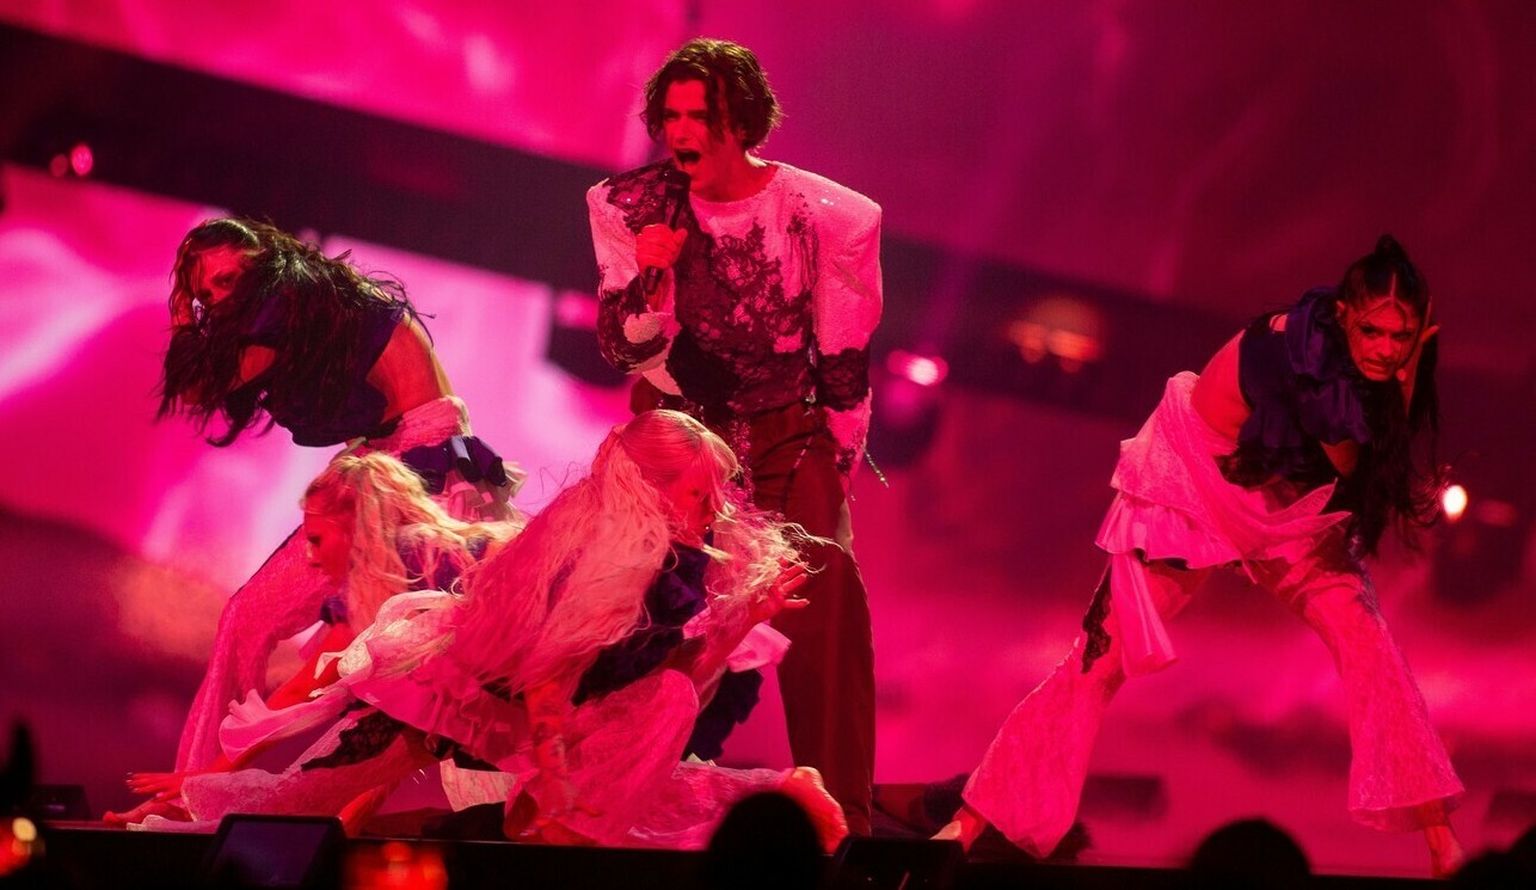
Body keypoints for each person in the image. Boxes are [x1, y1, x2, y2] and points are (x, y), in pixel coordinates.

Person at [938, 235, 1465, 876]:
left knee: (1370, 643)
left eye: (1401, 337)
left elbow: (1366, 466)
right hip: (1195, 482)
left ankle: (1441, 843)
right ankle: (970, 822)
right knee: (1099, 661)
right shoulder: (1296, 350)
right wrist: (1406, 380)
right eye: (1373, 331)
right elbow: (1354, 463)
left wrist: (1408, 376)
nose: (1385, 349)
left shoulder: (1373, 367)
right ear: (1345, 315)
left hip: (1285, 505)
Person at [135, 412, 846, 850]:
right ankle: (171, 831)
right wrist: (555, 789)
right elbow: (546, 681)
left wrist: (737, 624)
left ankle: (771, 796)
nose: (714, 509)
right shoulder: (604, 560)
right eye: (697, 494)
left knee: (663, 727)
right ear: (650, 489)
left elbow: (660, 690)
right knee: (301, 803)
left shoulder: (671, 565)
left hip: (544, 725)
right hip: (475, 700)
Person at [588, 37, 882, 834]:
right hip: (682, 435)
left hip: (788, 428)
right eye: (672, 115)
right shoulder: (627, 206)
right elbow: (623, 350)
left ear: (742, 122)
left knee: (818, 606)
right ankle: (625, 791)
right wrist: (650, 278)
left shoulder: (826, 215)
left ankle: (842, 823)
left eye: (700, 116)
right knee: (658, 611)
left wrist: (839, 459)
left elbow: (843, 355)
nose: (681, 132)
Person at [157, 218, 521, 775]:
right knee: (415, 682)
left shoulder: (284, 300)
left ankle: (199, 786)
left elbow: (199, 386)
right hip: (425, 458)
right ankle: (208, 784)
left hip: (414, 465)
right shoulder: (315, 295)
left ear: (260, 258)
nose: (220, 301)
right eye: (208, 294)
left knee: (258, 622)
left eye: (227, 280)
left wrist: (184, 316)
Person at [106, 452, 520, 826]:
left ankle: (186, 818)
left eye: (316, 539)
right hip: (510, 709)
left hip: (521, 701)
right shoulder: (418, 562)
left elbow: (303, 690)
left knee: (285, 804)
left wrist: (203, 777)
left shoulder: (411, 557)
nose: (310, 557)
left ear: (356, 525)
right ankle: (191, 811)